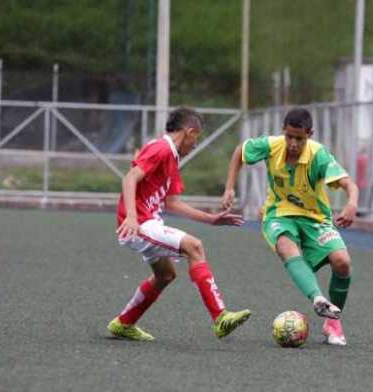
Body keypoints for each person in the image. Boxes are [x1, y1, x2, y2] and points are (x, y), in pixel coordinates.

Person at [108, 107, 251, 341]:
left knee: (165, 275)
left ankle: (124, 324)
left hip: (148, 221)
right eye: (196, 139)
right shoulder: (162, 148)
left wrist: (210, 219)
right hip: (138, 223)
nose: (195, 146)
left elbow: (172, 203)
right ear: (189, 131)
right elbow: (130, 177)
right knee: (194, 246)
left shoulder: (171, 158)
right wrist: (132, 217)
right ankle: (220, 317)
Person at [222, 108, 359, 346]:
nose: (293, 143)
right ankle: (317, 298)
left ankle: (332, 323)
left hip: (315, 218)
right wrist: (230, 187)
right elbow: (239, 152)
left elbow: (350, 185)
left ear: (310, 134)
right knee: (286, 245)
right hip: (278, 214)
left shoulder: (319, 155)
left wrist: (351, 204)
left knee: (342, 262)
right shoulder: (271, 145)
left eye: (299, 138)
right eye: (289, 137)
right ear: (283, 131)